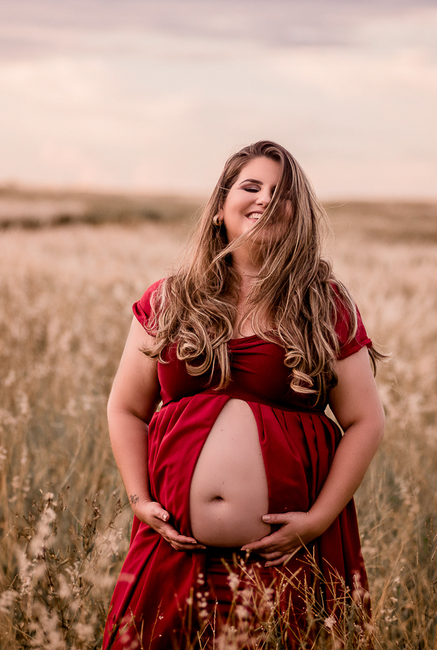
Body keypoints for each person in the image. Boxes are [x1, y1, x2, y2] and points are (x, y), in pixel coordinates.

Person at [103, 140, 386, 649]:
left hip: (283, 560)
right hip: (174, 554)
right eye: (251, 186)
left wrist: (317, 521)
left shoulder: (322, 304)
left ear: (298, 215)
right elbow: (126, 408)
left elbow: (366, 420)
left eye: (281, 194)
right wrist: (139, 499)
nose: (265, 201)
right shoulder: (170, 298)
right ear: (219, 206)